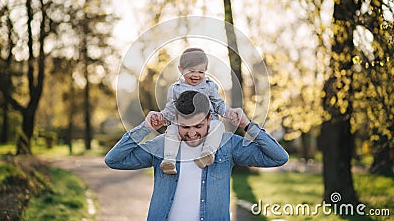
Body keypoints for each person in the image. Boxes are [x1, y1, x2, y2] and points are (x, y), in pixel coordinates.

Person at [105, 90, 289, 221]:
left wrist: (247, 125)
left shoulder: (227, 145)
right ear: (176, 120)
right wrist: (145, 128)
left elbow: (278, 157)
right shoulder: (162, 146)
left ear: (210, 118)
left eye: (198, 126)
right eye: (185, 127)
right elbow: (114, 160)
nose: (192, 133)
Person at [150, 48, 236, 174]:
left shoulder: (209, 86)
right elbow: (170, 109)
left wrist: (229, 113)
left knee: (218, 126)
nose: (196, 75)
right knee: (172, 131)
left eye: (201, 71)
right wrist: (162, 117)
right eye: (191, 71)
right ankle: (169, 160)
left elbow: (218, 103)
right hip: (183, 125)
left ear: (206, 71)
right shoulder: (175, 89)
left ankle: (207, 153)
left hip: (206, 125)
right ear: (181, 70)